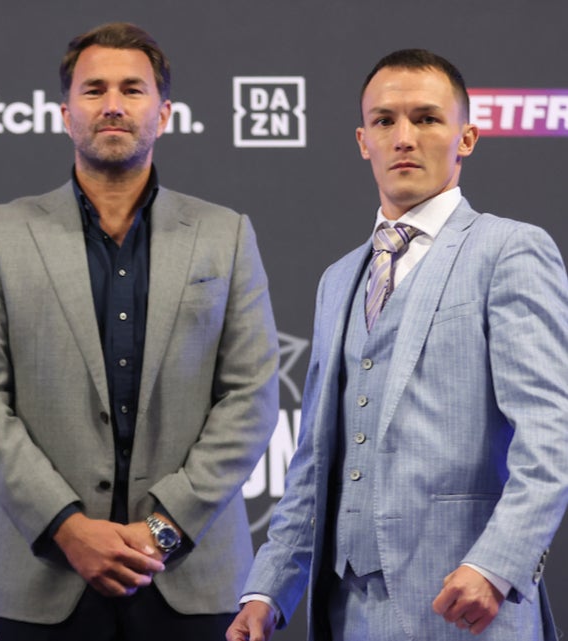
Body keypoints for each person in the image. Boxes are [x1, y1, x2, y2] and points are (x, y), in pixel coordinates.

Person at [0, 21, 280, 641]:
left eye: (132, 89)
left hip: (193, 576)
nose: (112, 105)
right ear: (65, 113)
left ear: (164, 112)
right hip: (40, 578)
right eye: (93, 89)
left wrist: (160, 531)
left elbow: (253, 397)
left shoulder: (225, 233)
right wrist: (68, 528)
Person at [226, 49, 568, 641]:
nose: (403, 137)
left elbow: (550, 435)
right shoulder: (339, 278)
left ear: (467, 137)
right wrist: (268, 589)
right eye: (385, 121)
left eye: (427, 118)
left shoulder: (510, 250)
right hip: (345, 615)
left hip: (466, 613)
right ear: (363, 141)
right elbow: (315, 461)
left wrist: (496, 564)